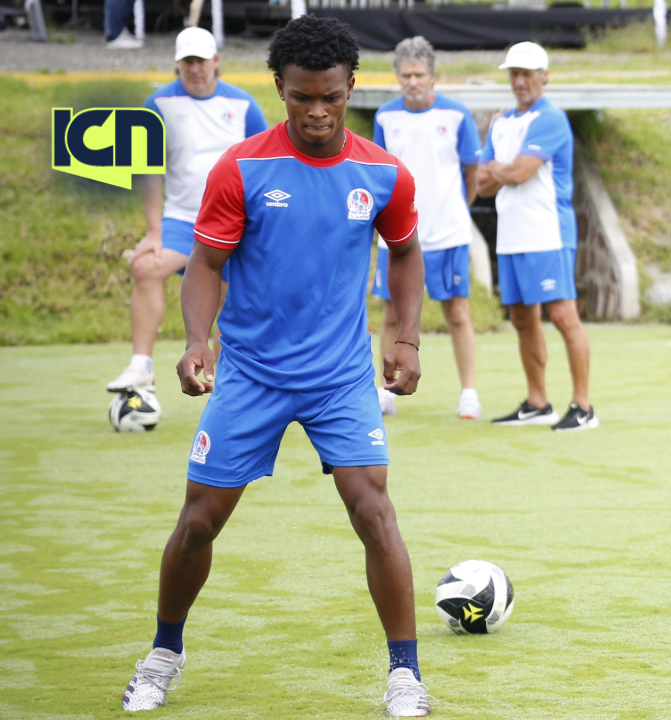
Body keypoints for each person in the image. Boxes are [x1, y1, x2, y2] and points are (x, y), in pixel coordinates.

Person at [120, 16, 433, 716]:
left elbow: (406, 252)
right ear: (279, 89)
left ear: (352, 87)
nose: (316, 112)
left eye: (330, 97)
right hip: (252, 374)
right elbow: (205, 263)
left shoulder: (382, 173)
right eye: (300, 98)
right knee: (199, 520)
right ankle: (164, 652)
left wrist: (405, 338)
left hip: (339, 377)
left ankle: (405, 674)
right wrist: (198, 338)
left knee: (374, 511)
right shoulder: (244, 167)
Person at [106, 27, 268, 394]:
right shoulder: (157, 104)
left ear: (216, 61)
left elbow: (264, 167)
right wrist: (153, 231)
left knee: (231, 303)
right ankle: (141, 366)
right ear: (177, 64)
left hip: (234, 224)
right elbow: (149, 171)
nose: (195, 69)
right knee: (145, 266)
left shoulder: (244, 106)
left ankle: (231, 383)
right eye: (187, 62)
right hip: (181, 220)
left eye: (201, 61)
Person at [478, 42, 597, 432]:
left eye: (528, 73)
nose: (520, 80)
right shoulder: (501, 123)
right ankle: (537, 401)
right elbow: (483, 185)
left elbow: (516, 174)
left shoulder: (551, 119)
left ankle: (583, 406)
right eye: (514, 73)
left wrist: (500, 169)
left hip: (548, 233)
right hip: (512, 237)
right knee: (521, 318)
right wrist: (502, 169)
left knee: (563, 315)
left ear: (544, 76)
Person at [371, 36, 483, 420]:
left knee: (457, 314)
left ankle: (469, 393)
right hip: (397, 238)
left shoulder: (457, 114)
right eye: (406, 75)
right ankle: (385, 390)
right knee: (390, 315)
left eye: (419, 74)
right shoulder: (385, 116)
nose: (413, 81)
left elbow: (473, 174)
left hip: (448, 235)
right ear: (397, 76)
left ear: (433, 75)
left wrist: (454, 212)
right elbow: (380, 174)